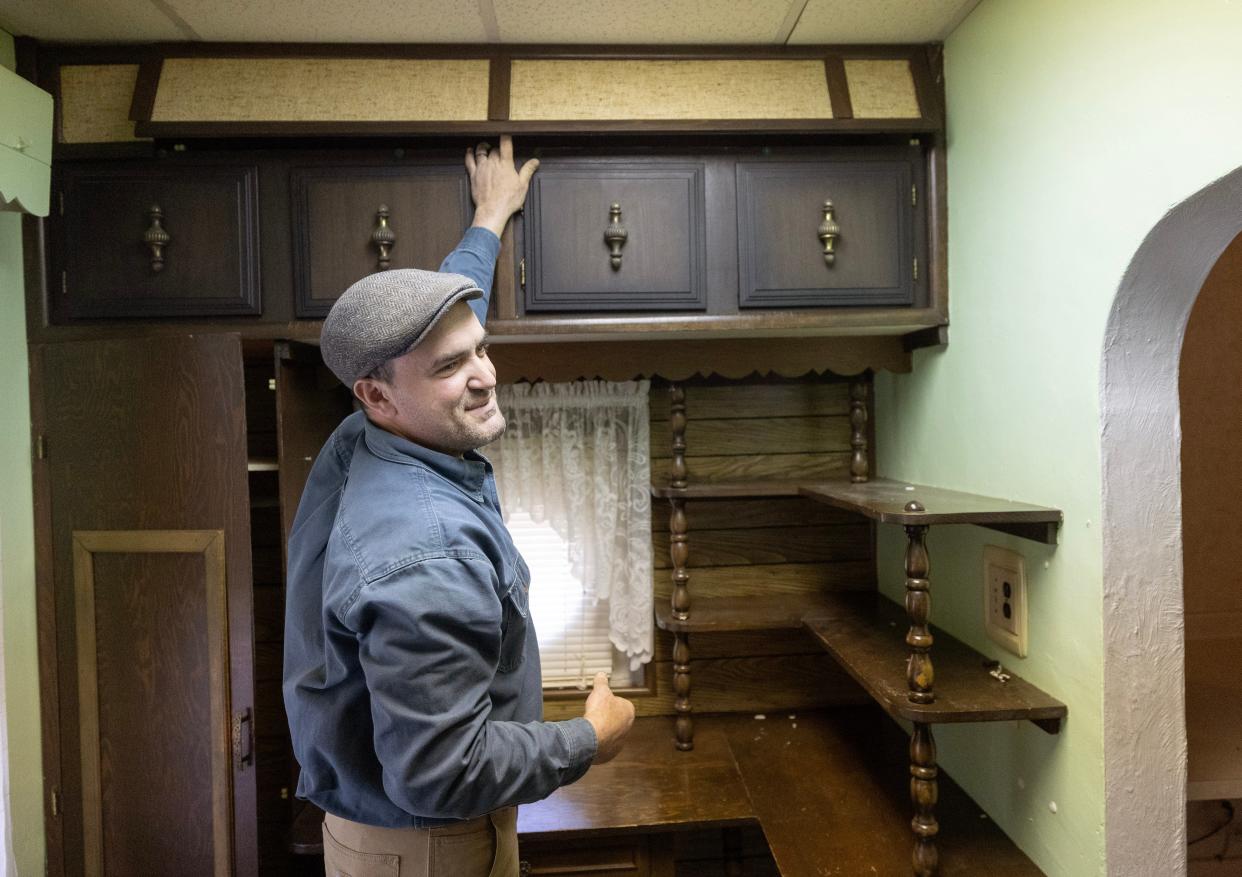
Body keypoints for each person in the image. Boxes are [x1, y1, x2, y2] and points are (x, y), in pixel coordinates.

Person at [282, 136, 635, 877]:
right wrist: (590, 738)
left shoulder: (367, 431)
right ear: (376, 394)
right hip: (431, 846)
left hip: (378, 832)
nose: (484, 375)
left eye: (481, 347)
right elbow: (439, 773)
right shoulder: (426, 549)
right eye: (452, 366)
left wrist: (490, 219)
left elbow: (443, 309)